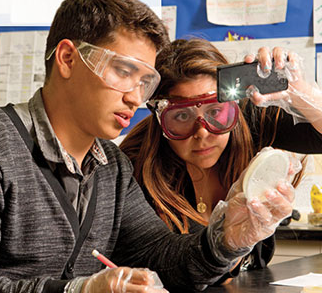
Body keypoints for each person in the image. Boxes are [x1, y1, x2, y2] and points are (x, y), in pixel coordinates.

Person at [0, 0, 295, 293]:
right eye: (123, 71)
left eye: (144, 82)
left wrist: (226, 240)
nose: (135, 98)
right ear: (68, 58)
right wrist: (78, 291)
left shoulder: (110, 166)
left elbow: (162, 257)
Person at [119, 38, 322, 283]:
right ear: (160, 118)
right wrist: (227, 244)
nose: (202, 132)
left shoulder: (248, 123)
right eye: (182, 115)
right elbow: (161, 265)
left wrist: (301, 93)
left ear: (232, 104)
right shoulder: (134, 167)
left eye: (215, 112)